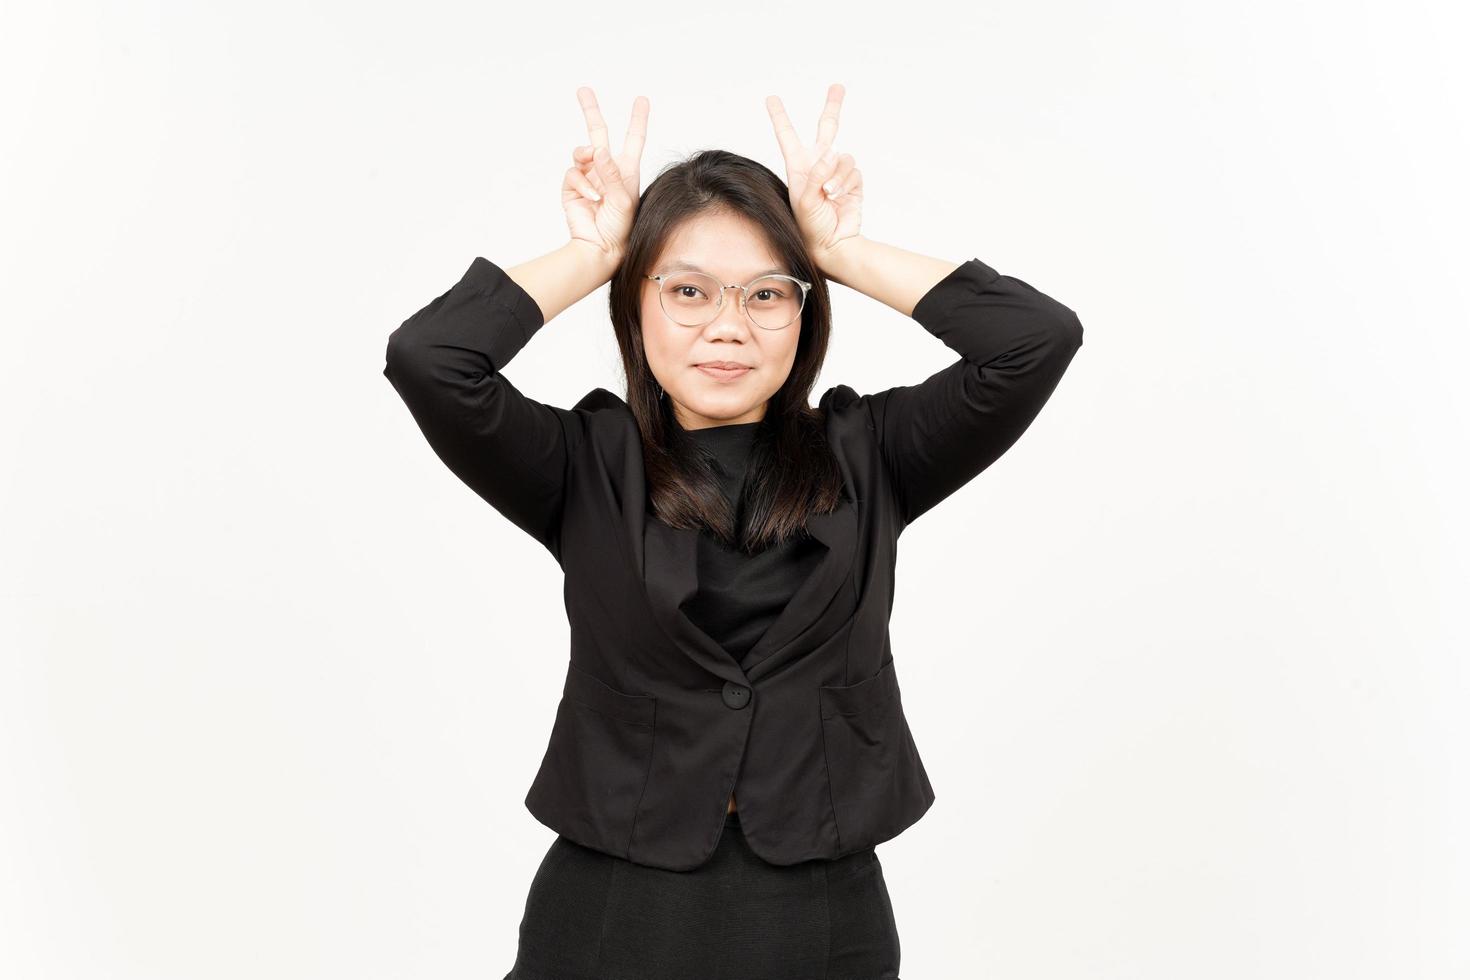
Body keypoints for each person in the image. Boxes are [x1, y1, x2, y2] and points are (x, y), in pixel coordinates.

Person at [382, 83, 1084, 980]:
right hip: (609, 914)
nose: (726, 326)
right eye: (686, 291)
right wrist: (596, 251)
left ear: (806, 311)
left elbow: (1036, 339)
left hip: (822, 919)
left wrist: (842, 250)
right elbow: (430, 360)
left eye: (765, 295)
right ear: (637, 308)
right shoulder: (579, 465)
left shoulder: (875, 454)